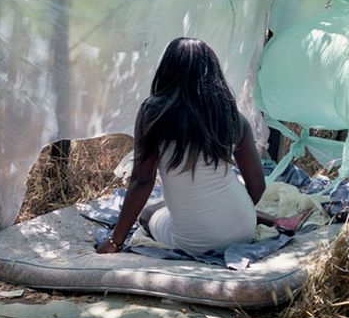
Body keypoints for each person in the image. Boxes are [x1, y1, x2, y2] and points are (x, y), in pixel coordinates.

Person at [97, 37, 277, 255]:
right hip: (245, 227)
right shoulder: (231, 116)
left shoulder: (154, 114)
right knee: (182, 204)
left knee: (147, 213)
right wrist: (240, 214)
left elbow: (142, 180)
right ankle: (256, 217)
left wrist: (115, 241)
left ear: (167, 70)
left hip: (196, 241)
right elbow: (257, 186)